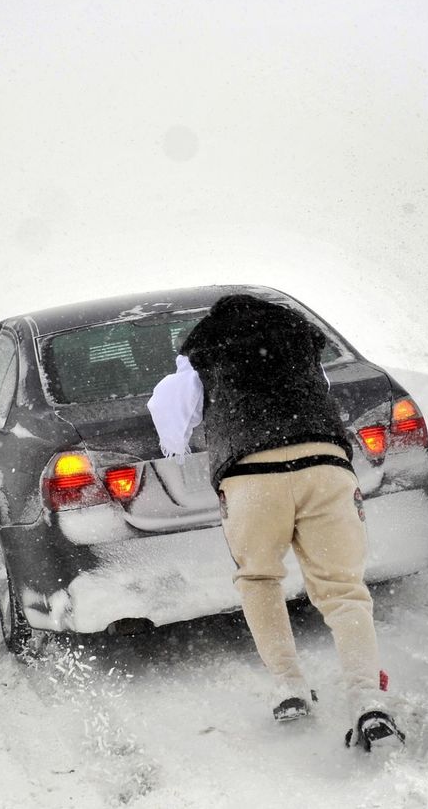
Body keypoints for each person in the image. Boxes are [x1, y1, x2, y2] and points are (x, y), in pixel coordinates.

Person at [148, 293, 404, 752]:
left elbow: (169, 416)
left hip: (251, 477)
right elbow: (319, 392)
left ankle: (289, 686)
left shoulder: (203, 353)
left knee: (260, 579)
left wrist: (185, 439)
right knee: (344, 591)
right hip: (325, 465)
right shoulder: (300, 343)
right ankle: (368, 699)